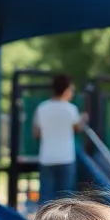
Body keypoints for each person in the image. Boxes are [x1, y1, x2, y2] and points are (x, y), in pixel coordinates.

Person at [33, 73, 88, 205]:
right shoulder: (71, 109)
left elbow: (36, 133)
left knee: (46, 199)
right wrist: (83, 119)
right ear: (67, 90)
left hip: (47, 158)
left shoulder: (42, 108)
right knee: (65, 200)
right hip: (65, 158)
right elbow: (76, 129)